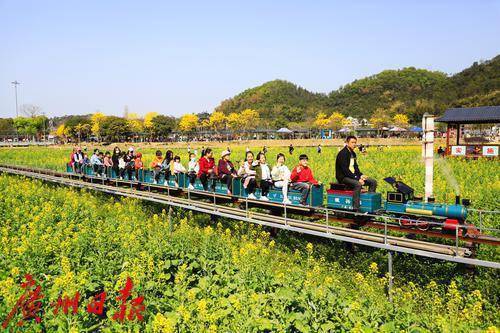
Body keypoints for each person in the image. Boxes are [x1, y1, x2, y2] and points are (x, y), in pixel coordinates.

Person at [335, 136, 377, 212]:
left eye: (355, 142)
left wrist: (361, 175)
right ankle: (356, 208)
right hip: (343, 177)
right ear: (347, 143)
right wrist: (358, 179)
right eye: (352, 142)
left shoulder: (353, 154)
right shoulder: (342, 154)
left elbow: (355, 167)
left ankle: (369, 203)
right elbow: (345, 170)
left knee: (373, 182)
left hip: (352, 176)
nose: (354, 144)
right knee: (358, 184)